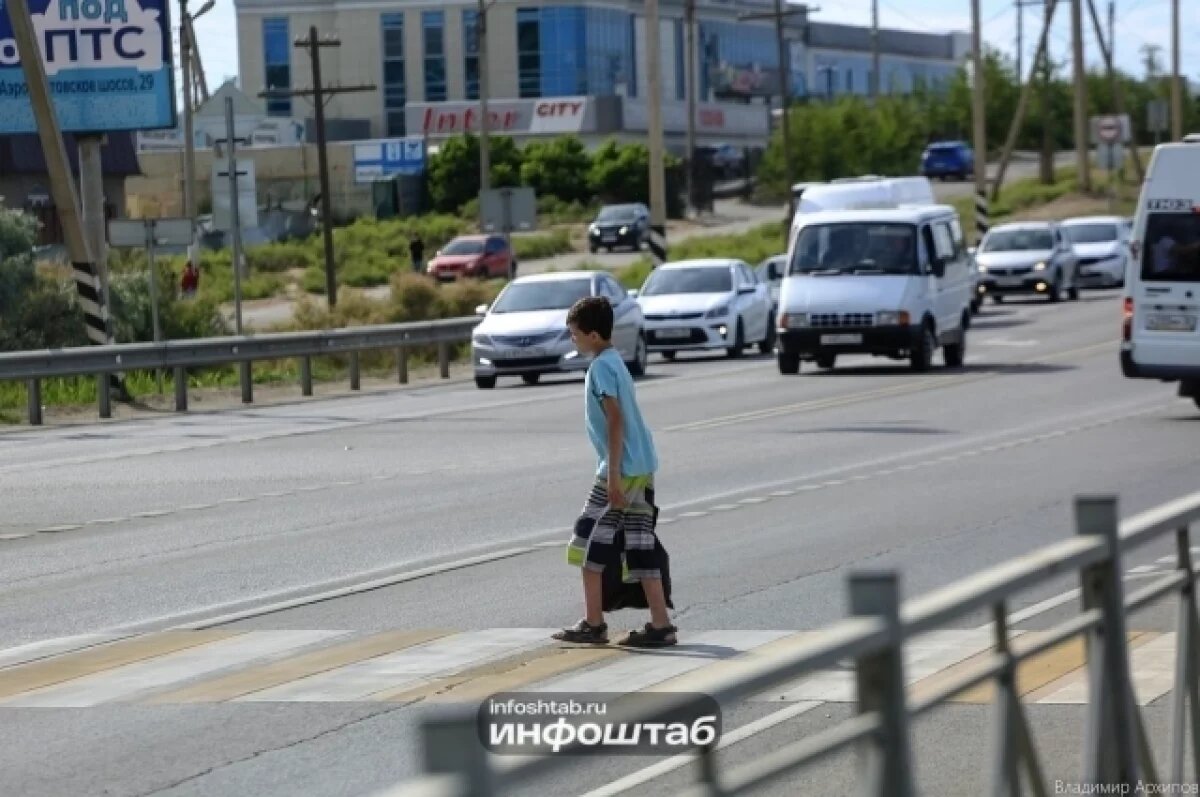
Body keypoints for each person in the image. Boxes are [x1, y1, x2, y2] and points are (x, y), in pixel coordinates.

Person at [553, 296, 677, 648]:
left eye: (574, 334)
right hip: (640, 465)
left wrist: (613, 478)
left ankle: (594, 623)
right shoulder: (615, 361)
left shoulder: (601, 368)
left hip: (621, 469)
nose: (571, 339)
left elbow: (616, 419)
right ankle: (661, 625)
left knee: (586, 543)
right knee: (639, 545)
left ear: (593, 335)